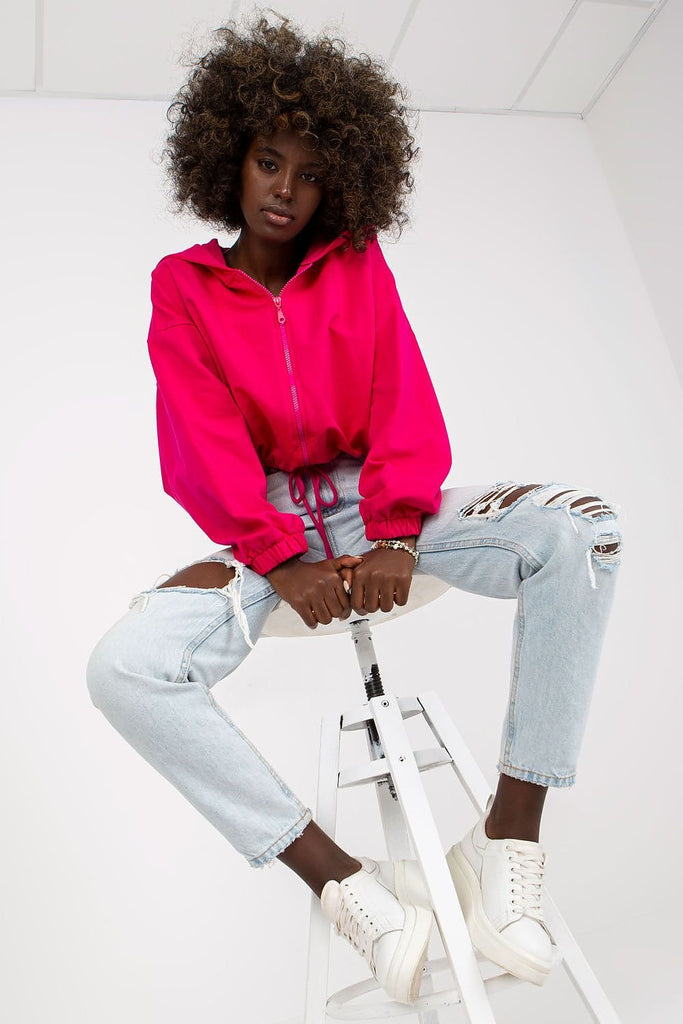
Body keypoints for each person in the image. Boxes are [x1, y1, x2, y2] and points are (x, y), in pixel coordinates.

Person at [85, 15, 623, 1007]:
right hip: (266, 532)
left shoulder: (356, 261)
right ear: (229, 159)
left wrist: (395, 529)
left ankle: (506, 838)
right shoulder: (183, 288)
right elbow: (199, 438)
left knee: (581, 530)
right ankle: (345, 885)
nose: (285, 189)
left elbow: (400, 397)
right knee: (123, 668)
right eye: (267, 161)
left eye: (310, 173)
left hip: (379, 504)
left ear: (341, 183)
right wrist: (277, 554)